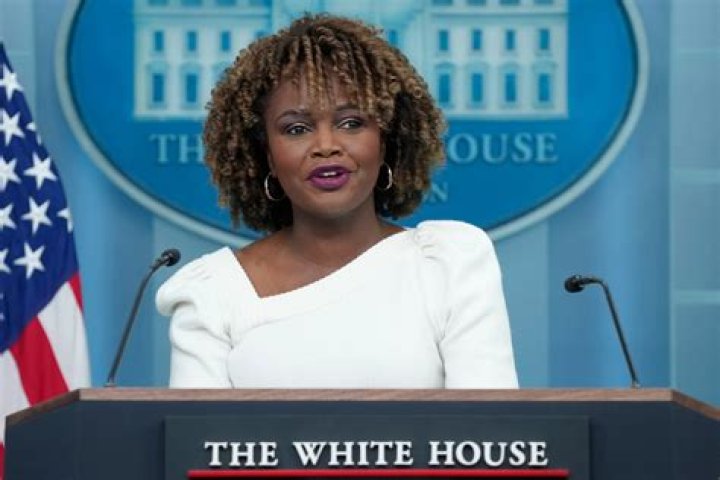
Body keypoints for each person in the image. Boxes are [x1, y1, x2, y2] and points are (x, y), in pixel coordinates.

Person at [156, 13, 518, 389]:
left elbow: (489, 423)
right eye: (297, 129)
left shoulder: (448, 265)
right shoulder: (213, 292)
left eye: (351, 123)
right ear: (267, 156)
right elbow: (196, 429)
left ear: (385, 141)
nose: (326, 146)